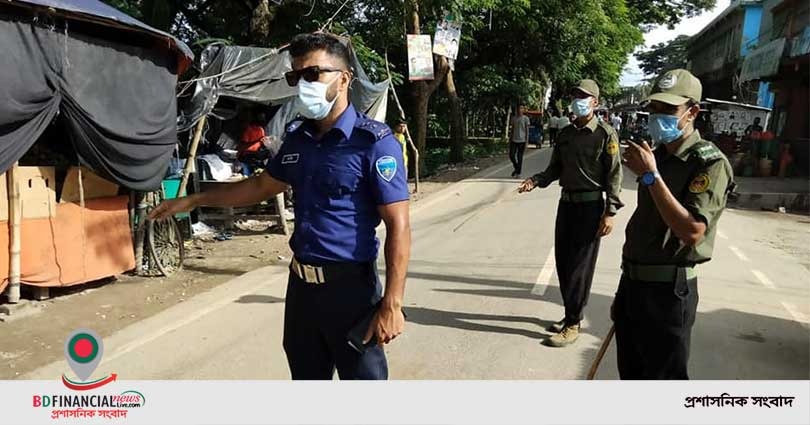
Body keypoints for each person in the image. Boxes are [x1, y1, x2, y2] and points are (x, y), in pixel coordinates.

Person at [149, 33, 411, 380]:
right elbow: (261, 185)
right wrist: (195, 199)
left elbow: (398, 225)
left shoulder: (373, 143)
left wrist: (392, 303)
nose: (303, 85)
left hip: (351, 291)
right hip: (301, 289)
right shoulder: (298, 139)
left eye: (312, 74)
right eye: (295, 76)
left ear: (344, 78)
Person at [613, 69, 734, 379]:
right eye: (654, 108)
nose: (657, 116)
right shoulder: (658, 157)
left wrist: (650, 176)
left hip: (668, 292)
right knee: (631, 376)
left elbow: (692, 231)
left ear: (692, 112)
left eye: (668, 109)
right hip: (633, 283)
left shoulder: (709, 162)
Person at [518, 79, 624, 347]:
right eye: (575, 96)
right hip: (566, 205)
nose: (578, 101)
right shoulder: (565, 134)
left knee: (579, 268)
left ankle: (574, 322)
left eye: (583, 97)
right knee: (564, 263)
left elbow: (614, 175)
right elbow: (555, 169)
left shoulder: (605, 134)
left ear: (595, 102)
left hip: (590, 208)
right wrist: (535, 180)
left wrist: (610, 212)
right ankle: (569, 314)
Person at [509, 104, 531, 177]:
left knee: (519, 157)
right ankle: (517, 168)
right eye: (518, 108)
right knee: (511, 155)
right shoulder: (514, 118)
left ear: (523, 110)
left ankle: (518, 172)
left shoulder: (526, 119)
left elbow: (527, 131)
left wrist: (527, 142)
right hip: (514, 140)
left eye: (521, 108)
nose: (520, 110)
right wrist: (510, 139)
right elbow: (512, 130)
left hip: (522, 140)